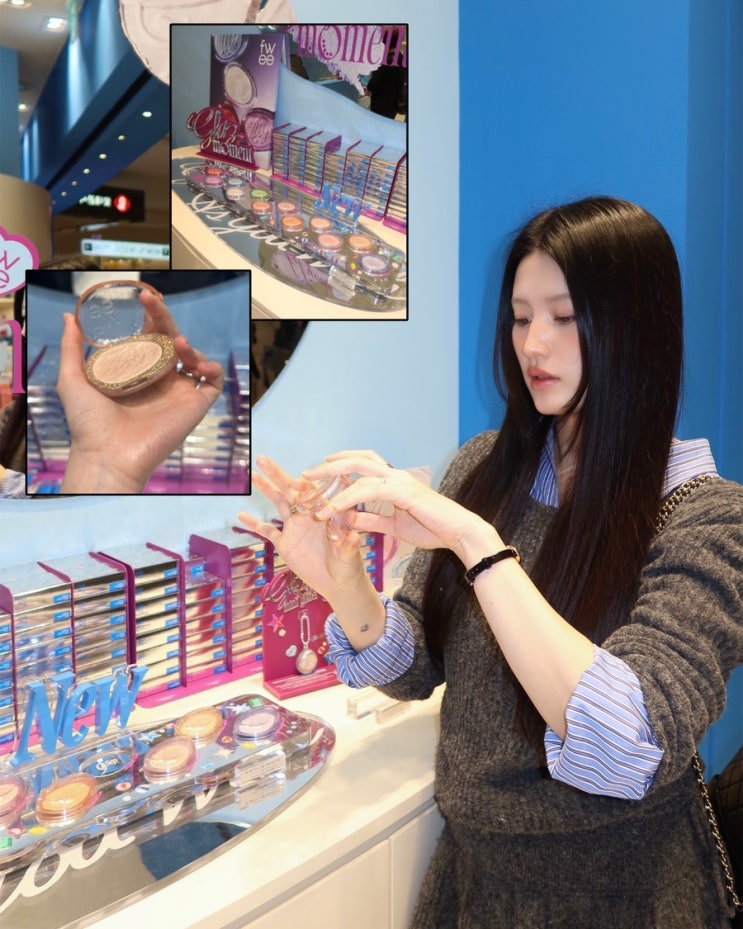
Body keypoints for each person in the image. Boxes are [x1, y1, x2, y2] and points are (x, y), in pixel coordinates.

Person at [238, 197, 743, 927]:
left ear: (636, 327)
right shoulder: (486, 465)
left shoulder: (709, 517)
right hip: (474, 883)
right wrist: (346, 586)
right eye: (519, 316)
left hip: (625, 894)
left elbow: (631, 743)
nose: (532, 343)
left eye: (564, 317)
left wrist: (477, 545)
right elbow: (419, 665)